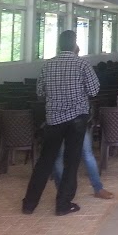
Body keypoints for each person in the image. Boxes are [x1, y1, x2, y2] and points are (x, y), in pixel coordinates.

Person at [22, 30, 98, 216]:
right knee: (71, 162)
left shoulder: (48, 65)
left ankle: (29, 204)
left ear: (59, 45)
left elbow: (40, 92)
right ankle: (63, 204)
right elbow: (94, 90)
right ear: (74, 44)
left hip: (54, 119)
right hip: (77, 119)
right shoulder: (82, 64)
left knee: (45, 161)